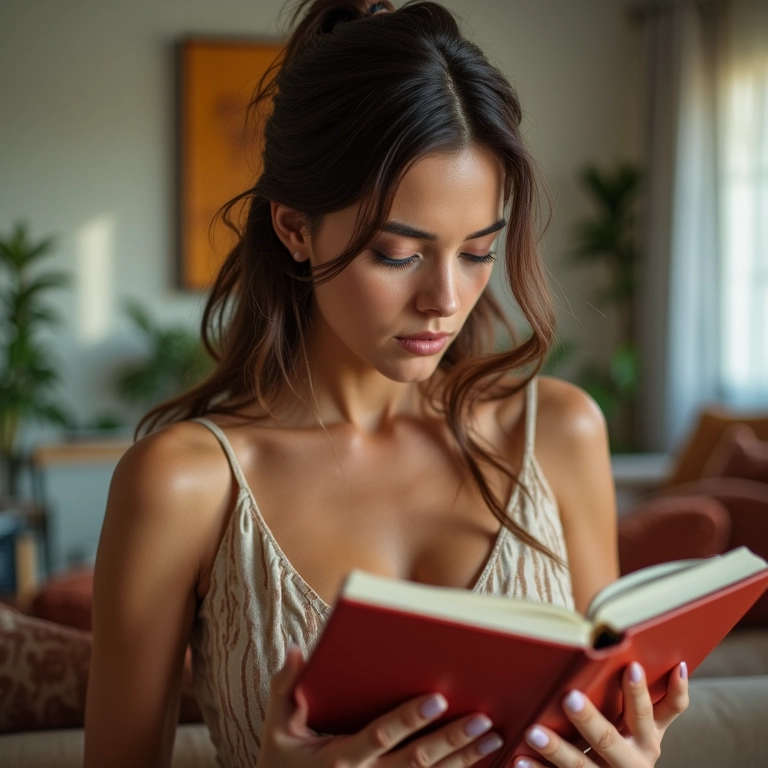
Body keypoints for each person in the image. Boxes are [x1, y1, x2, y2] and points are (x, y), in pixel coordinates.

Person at [83, 1, 690, 766]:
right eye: (399, 254)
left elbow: (600, 716)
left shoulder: (560, 433)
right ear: (295, 227)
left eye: (477, 252)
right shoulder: (183, 484)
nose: (445, 297)